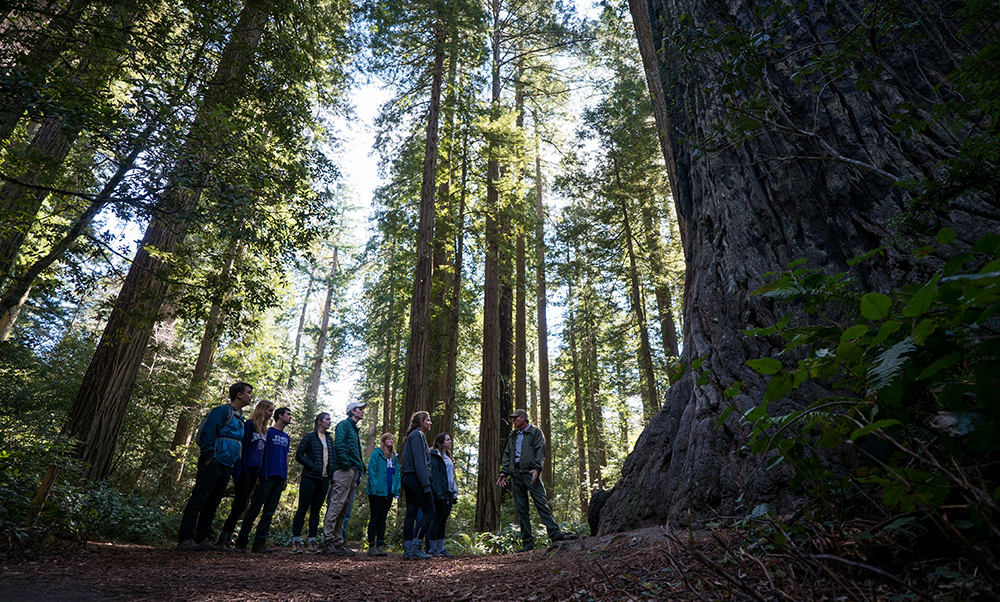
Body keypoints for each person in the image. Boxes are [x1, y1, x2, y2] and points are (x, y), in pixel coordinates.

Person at [177, 382, 253, 550]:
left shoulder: (240, 417)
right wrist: (209, 456)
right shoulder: (222, 411)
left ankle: (202, 538)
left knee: (213, 502)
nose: (251, 396)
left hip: (227, 465)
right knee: (199, 499)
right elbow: (208, 432)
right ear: (239, 394)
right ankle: (185, 539)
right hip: (213, 462)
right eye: (248, 392)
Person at [497, 409, 576, 552]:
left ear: (523, 418)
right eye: (513, 419)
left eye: (516, 418)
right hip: (516, 475)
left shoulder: (535, 432)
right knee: (521, 509)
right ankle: (527, 543)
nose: (514, 421)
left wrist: (537, 469)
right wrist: (503, 472)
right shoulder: (512, 436)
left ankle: (555, 534)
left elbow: (541, 450)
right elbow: (507, 453)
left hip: (530, 473)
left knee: (541, 503)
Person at [215, 399, 274, 549]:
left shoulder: (265, 430)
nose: (271, 414)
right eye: (269, 410)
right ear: (262, 410)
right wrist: (237, 470)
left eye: (273, 411)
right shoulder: (249, 425)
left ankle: (227, 538)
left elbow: (263, 454)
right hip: (244, 469)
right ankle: (223, 538)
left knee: (242, 505)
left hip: (255, 470)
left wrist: (262, 475)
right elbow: (241, 448)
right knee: (240, 504)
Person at [234, 407, 292, 552]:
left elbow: (285, 457)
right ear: (280, 416)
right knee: (254, 509)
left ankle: (259, 543)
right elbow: (260, 453)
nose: (290, 417)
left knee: (269, 511)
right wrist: (259, 475)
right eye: (288, 414)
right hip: (266, 476)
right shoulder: (268, 432)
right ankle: (241, 542)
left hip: (280, 478)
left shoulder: (286, 437)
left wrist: (285, 477)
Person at [322, 401, 366, 556]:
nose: (362, 411)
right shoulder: (343, 425)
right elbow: (339, 444)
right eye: (360, 409)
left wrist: (358, 467)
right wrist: (347, 464)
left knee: (343, 509)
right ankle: (328, 541)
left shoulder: (354, 429)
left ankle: (338, 542)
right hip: (344, 471)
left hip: (353, 471)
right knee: (336, 505)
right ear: (352, 411)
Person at [290, 412, 336, 554]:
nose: (329, 422)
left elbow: (331, 459)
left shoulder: (329, 439)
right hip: (309, 477)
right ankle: (296, 543)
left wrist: (331, 474)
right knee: (303, 508)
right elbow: (299, 455)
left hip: (324, 479)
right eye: (327, 419)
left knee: (316, 511)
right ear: (319, 421)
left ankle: (312, 543)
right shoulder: (310, 437)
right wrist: (312, 466)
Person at [400, 411, 435, 560]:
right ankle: (415, 547)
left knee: (411, 512)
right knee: (430, 511)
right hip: (415, 478)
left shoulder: (413, 436)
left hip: (409, 477)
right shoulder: (417, 435)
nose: (430, 423)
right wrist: (426, 484)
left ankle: (409, 548)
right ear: (421, 421)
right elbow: (419, 462)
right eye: (428, 420)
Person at [365, 433, 401, 557]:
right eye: (388, 439)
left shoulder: (393, 457)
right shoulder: (377, 453)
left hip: (388, 492)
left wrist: (396, 490)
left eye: (392, 439)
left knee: (383, 518)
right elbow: (372, 471)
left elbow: (397, 474)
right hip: (377, 492)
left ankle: (380, 546)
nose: (391, 441)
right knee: (375, 517)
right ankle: (371, 546)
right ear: (384, 441)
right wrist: (375, 488)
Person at [428, 432, 458, 558]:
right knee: (437, 519)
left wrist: (454, 492)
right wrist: (438, 492)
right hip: (439, 493)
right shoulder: (434, 456)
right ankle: (432, 548)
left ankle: (440, 548)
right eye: (447, 440)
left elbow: (452, 476)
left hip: (449, 492)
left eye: (450, 439)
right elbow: (436, 476)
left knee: (443, 521)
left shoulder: (448, 456)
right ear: (440, 442)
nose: (450, 442)